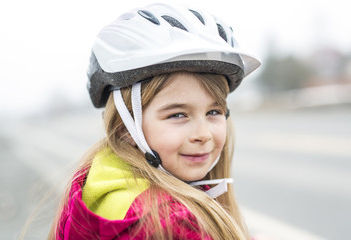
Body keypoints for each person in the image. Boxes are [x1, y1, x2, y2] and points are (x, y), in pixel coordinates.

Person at [49, 2, 260, 240]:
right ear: (125, 127)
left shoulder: (96, 184)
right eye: (177, 115)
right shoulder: (173, 225)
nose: (204, 134)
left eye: (213, 112)